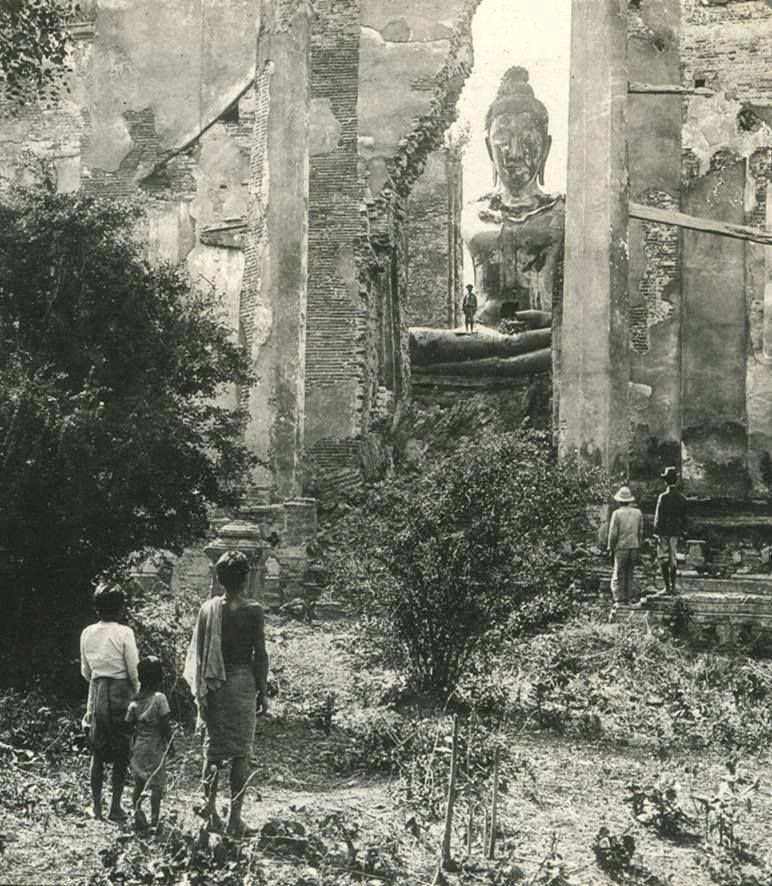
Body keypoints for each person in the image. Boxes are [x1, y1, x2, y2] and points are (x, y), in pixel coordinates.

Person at [184, 550, 269, 837]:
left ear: (219, 578)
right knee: (240, 754)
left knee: (213, 750)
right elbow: (260, 655)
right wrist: (263, 692)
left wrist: (202, 691)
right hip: (243, 682)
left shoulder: (208, 608)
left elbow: (198, 655)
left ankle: (209, 815)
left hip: (214, 684)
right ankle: (234, 819)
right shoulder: (254, 609)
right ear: (246, 577)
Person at [80, 582, 139, 822]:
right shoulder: (125, 633)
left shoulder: (87, 632)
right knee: (122, 750)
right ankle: (115, 807)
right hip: (120, 692)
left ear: (97, 608)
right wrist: (137, 694)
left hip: (97, 690)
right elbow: (134, 670)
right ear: (122, 608)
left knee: (97, 748)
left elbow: (85, 670)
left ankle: (96, 807)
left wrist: (98, 684)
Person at [126, 656, 173, 830]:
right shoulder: (160, 699)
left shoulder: (134, 701)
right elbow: (165, 725)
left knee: (139, 782)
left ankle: (137, 812)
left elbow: (129, 724)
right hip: (155, 747)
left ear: (140, 677)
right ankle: (154, 819)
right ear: (159, 678)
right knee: (156, 784)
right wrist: (171, 745)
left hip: (139, 746)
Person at [653, 466, 688, 594]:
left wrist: (656, 532)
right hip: (675, 532)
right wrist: (683, 532)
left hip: (663, 532)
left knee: (663, 558)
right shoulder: (682, 498)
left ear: (665, 481)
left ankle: (667, 587)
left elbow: (659, 516)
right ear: (676, 481)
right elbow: (684, 518)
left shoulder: (663, 497)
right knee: (674, 559)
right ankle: (672, 586)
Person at [607, 486, 643, 606]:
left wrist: (610, 548)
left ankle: (619, 600)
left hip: (621, 547)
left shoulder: (616, 514)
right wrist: (638, 546)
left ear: (619, 500)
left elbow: (613, 533)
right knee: (629, 573)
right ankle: (628, 598)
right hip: (634, 546)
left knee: (618, 573)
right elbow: (640, 532)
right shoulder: (637, 513)